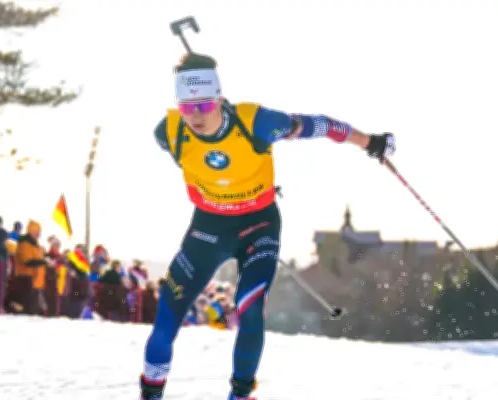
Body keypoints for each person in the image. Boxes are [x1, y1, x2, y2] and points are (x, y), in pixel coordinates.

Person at [139, 53, 396, 400]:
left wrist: (370, 142)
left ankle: (241, 394)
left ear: (219, 98)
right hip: (208, 228)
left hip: (257, 226)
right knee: (168, 313)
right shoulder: (167, 132)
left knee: (250, 307)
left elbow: (319, 125)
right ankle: (150, 394)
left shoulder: (256, 123)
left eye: (203, 105)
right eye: (187, 108)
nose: (195, 116)